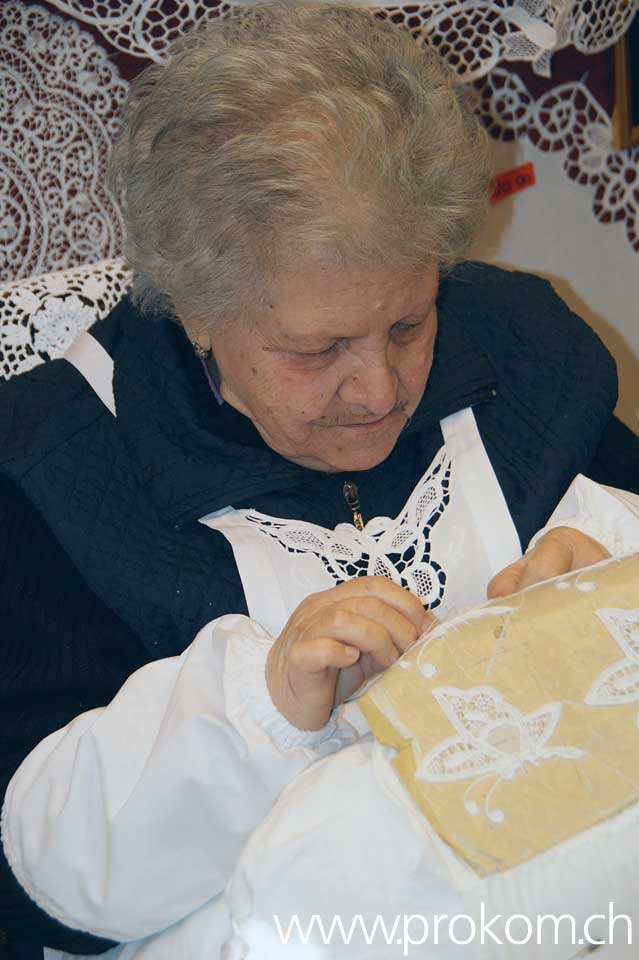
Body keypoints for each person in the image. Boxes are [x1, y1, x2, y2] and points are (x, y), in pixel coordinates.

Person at [0, 2, 638, 957]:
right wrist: (259, 711)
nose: (377, 388)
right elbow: (36, 899)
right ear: (193, 311)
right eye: (316, 348)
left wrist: (607, 585)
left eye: (407, 324)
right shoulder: (57, 475)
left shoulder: (524, 355)